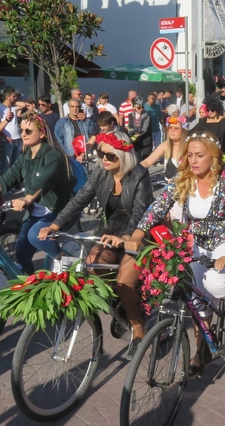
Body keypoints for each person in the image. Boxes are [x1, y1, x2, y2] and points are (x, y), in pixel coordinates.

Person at [105, 131, 225, 376]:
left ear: (213, 157)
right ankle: (201, 350)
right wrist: (137, 235)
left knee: (216, 283)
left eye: (199, 155)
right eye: (189, 155)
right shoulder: (183, 178)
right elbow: (158, 206)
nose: (193, 160)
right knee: (195, 298)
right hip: (200, 242)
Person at [39, 131, 153, 357]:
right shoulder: (101, 172)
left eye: (110, 156)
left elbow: (141, 212)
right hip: (110, 229)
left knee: (124, 283)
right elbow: (80, 199)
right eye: (101, 153)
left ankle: (139, 329)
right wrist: (55, 225)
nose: (104, 159)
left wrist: (128, 237)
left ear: (123, 155)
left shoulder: (140, 174)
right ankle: (123, 305)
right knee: (92, 265)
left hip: (137, 232)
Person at [0, 113, 75, 275]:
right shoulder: (25, 156)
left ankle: (70, 265)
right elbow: (8, 178)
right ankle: (31, 289)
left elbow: (44, 180)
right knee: (22, 255)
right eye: (21, 130)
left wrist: (26, 199)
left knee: (34, 235)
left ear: (42, 133)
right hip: (36, 213)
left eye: (28, 131)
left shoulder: (54, 156)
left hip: (57, 210)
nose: (23, 134)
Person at [140, 114, 187, 181]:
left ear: (183, 131)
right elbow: (147, 162)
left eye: (176, 128)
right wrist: (133, 172)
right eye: (170, 127)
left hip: (186, 186)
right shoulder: (165, 145)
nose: (172, 130)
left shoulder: (189, 146)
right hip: (170, 188)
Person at [54, 97, 98, 161]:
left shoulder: (85, 121)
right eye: (72, 106)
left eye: (77, 107)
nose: (75, 109)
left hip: (84, 155)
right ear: (69, 107)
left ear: (80, 107)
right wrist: (66, 153)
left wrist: (86, 120)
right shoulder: (62, 122)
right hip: (70, 155)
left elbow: (94, 131)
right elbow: (58, 140)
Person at [0, 87, 26, 175]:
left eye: (16, 96)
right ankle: (5, 186)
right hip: (7, 140)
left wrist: (14, 101)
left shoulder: (14, 107)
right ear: (7, 97)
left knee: (15, 164)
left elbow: (24, 105)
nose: (16, 98)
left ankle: (14, 184)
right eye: (13, 96)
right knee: (6, 164)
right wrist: (5, 136)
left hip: (17, 139)